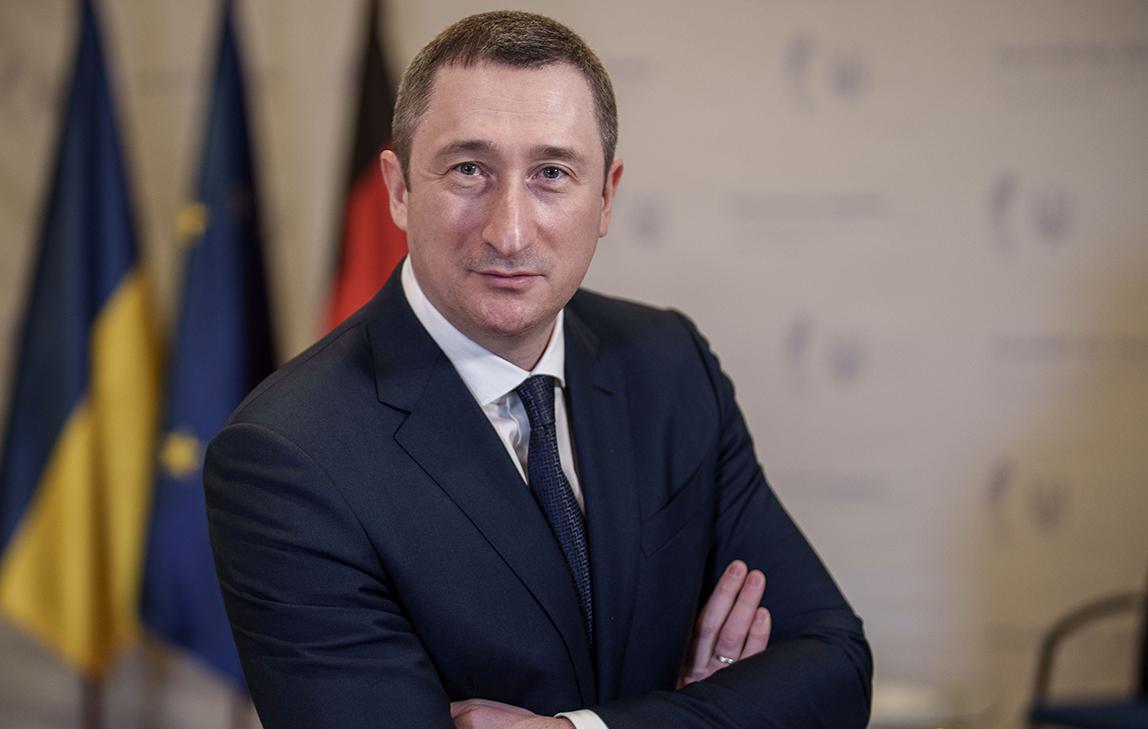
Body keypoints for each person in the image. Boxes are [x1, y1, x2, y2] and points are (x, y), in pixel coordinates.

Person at [204, 11, 871, 729]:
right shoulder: (286, 455)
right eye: (469, 170)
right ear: (398, 189)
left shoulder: (669, 363)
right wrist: (716, 711)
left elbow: (834, 668)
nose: (510, 231)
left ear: (606, 196)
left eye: (552, 173)